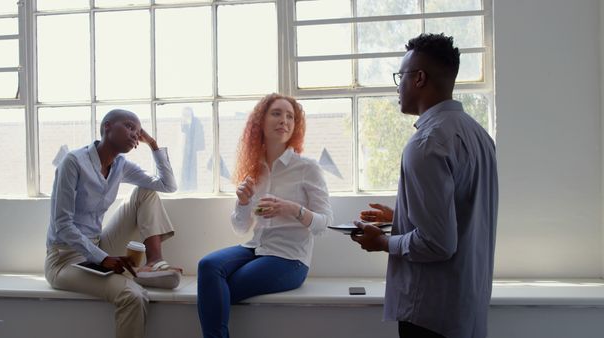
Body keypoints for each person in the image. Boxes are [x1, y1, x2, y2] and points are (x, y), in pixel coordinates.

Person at [350, 33, 498, 338]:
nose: (398, 87)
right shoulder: (479, 136)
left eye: (400, 77)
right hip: (467, 307)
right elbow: (461, 214)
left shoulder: (427, 143)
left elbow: (438, 243)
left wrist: (382, 242)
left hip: (431, 315)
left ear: (419, 78)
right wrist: (400, 217)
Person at [197, 93, 333, 338]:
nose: (284, 120)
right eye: (277, 113)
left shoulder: (307, 168)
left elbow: (324, 223)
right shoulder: (254, 169)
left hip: (290, 258)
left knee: (221, 287)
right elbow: (240, 228)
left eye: (290, 116)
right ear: (260, 121)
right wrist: (243, 201)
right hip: (255, 247)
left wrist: (293, 209)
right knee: (207, 266)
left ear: (296, 126)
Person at [45, 109, 182, 338]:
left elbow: (167, 185)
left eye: (138, 132)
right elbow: (62, 225)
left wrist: (153, 144)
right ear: (107, 126)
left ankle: (154, 262)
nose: (134, 135)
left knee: (145, 193)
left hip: (98, 246)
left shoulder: (120, 165)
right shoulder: (74, 162)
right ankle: (136, 277)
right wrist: (104, 259)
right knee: (133, 296)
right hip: (65, 259)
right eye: (129, 126)